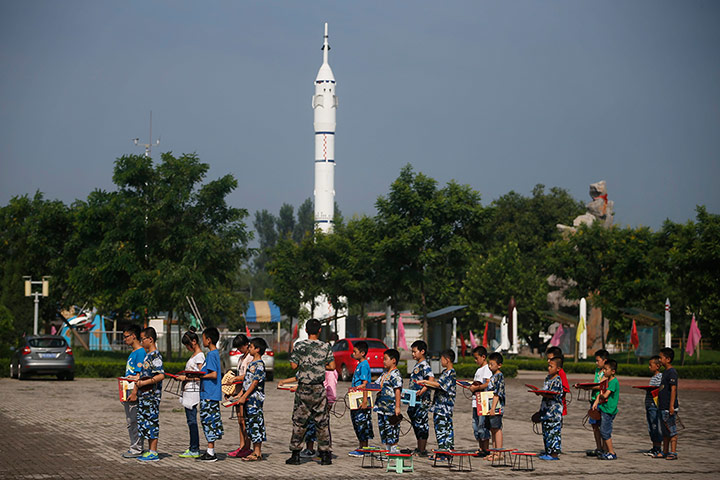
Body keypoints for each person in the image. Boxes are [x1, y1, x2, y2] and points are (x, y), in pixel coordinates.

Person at [286, 318, 336, 466]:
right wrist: (319, 366)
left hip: (303, 388)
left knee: (300, 421)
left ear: (306, 330)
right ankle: (325, 455)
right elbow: (332, 366)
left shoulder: (299, 345)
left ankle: (295, 455)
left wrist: (306, 365)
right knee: (322, 421)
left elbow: (294, 366)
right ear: (320, 330)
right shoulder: (325, 346)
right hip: (318, 388)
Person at [129, 327, 165, 462]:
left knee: (152, 421)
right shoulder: (147, 355)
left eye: (143, 339)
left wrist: (144, 383)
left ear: (150, 339)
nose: (141, 341)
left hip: (151, 396)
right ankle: (149, 450)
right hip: (144, 397)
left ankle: (154, 451)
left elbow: (161, 375)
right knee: (145, 422)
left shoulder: (155, 356)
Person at [236, 337, 268, 462]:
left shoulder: (259, 365)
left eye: (251, 346)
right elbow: (247, 381)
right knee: (250, 424)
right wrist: (241, 395)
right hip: (249, 400)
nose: (249, 348)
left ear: (257, 349)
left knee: (256, 424)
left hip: (254, 400)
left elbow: (254, 383)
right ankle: (255, 451)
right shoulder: (252, 364)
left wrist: (244, 396)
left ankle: (257, 452)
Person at [420, 349, 456, 457]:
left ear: (447, 360)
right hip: (439, 406)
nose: (441, 362)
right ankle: (444, 452)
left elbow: (440, 385)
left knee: (443, 430)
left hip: (444, 408)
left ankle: (444, 453)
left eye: (442, 359)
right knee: (442, 429)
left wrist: (425, 381)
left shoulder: (451, 373)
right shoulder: (444, 372)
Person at [176, 328, 205, 458]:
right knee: (190, 421)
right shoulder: (194, 355)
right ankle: (192, 447)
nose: (187, 348)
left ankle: (195, 448)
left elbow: (202, 376)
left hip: (193, 392)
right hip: (187, 391)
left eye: (187, 345)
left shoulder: (199, 356)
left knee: (192, 421)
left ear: (194, 342)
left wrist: (186, 378)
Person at [198, 327, 224, 462]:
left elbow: (213, 374)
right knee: (208, 422)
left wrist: (200, 376)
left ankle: (211, 452)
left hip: (209, 394)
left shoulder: (211, 355)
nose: (202, 341)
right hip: (208, 394)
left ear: (209, 339)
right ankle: (210, 450)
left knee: (209, 422)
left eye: (203, 338)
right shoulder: (214, 354)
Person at [121, 325, 145, 459]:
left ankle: (136, 448)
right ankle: (134, 446)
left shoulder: (141, 353)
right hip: (127, 388)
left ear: (133, 336)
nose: (124, 340)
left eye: (126, 336)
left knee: (134, 420)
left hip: (133, 390)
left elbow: (139, 375)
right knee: (130, 420)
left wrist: (134, 392)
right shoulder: (133, 353)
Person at [346, 340, 374, 457]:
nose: (353, 353)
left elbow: (365, 384)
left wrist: (364, 401)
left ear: (362, 353)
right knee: (357, 423)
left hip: (361, 399)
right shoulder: (360, 365)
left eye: (355, 351)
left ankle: (364, 448)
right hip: (355, 397)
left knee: (362, 423)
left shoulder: (364, 365)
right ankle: (361, 446)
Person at [579, 349, 609, 457]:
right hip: (593, 400)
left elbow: (601, 385)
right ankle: (599, 447)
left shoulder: (607, 372)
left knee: (603, 425)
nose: (597, 363)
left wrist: (586, 386)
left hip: (602, 401)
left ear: (605, 360)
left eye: (598, 360)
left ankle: (606, 449)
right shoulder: (597, 371)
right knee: (595, 425)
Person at [227, 334, 252, 458]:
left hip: (246, 393)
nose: (239, 350)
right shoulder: (241, 358)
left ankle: (247, 446)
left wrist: (236, 378)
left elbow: (248, 376)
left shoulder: (250, 359)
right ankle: (242, 446)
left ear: (246, 345)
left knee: (245, 421)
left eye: (240, 347)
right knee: (240, 421)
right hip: (238, 392)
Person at [407, 340, 434, 457]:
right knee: (416, 423)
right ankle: (419, 447)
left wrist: (423, 391)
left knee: (422, 423)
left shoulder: (425, 365)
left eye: (415, 352)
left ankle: (422, 449)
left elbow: (431, 379)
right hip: (414, 399)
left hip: (422, 400)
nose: (413, 354)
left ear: (422, 351)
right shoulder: (417, 365)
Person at [375, 348, 403, 453]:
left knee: (392, 429)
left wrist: (397, 407)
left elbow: (397, 391)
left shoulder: (395, 375)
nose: (383, 361)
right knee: (384, 429)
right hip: (381, 408)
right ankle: (387, 450)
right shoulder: (384, 374)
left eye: (385, 359)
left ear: (393, 360)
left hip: (390, 408)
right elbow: (376, 385)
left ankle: (394, 450)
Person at [592, 358, 619, 460]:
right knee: (603, 430)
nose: (604, 371)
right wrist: (596, 402)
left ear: (612, 371)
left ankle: (611, 452)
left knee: (605, 431)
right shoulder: (607, 380)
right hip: (604, 408)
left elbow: (605, 394)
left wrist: (601, 396)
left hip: (609, 410)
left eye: (606, 369)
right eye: (603, 369)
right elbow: (601, 393)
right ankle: (606, 451)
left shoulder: (613, 382)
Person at [539, 357, 564, 461]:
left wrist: (542, 393)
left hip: (554, 412)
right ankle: (548, 451)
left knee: (554, 432)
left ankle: (554, 454)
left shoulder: (557, 380)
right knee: (546, 432)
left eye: (551, 366)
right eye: (548, 366)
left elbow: (554, 395)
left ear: (558, 368)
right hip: (546, 411)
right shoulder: (548, 378)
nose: (549, 368)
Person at [656, 347, 679, 460]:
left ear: (668, 359)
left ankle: (673, 452)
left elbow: (673, 390)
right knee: (664, 431)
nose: (659, 360)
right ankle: (665, 451)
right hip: (662, 406)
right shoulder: (665, 372)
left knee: (671, 429)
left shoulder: (672, 372)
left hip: (668, 406)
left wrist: (671, 406)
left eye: (661, 358)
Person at [469, 346, 491, 457]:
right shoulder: (479, 370)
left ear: (483, 357)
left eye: (477, 358)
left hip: (483, 401)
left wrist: (476, 388)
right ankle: (481, 447)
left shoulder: (487, 369)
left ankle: (486, 449)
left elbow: (488, 383)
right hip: (475, 401)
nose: (475, 360)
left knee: (483, 425)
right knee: (476, 425)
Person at [485, 352, 505, 459]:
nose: (489, 366)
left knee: (497, 428)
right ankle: (494, 451)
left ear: (499, 365)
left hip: (496, 406)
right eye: (489, 364)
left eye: (492, 364)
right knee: (492, 429)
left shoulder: (499, 376)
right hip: (489, 405)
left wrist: (493, 408)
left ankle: (499, 452)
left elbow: (497, 393)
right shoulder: (493, 376)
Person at [643, 355, 663, 456]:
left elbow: (659, 389)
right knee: (651, 426)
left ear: (658, 366)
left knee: (656, 426)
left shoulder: (660, 377)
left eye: (651, 365)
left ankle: (658, 447)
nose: (649, 367)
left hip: (654, 405)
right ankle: (655, 446)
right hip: (649, 405)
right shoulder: (653, 377)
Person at [546, 347, 571, 420]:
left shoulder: (561, 373)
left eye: (551, 359)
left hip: (557, 407)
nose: (548, 361)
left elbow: (565, 389)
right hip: (549, 407)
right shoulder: (551, 375)